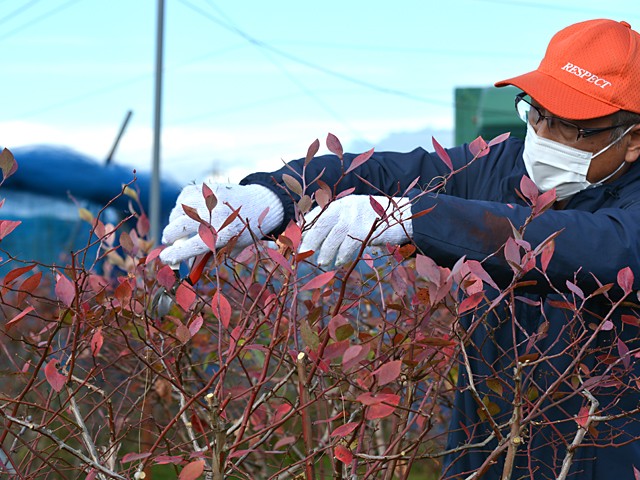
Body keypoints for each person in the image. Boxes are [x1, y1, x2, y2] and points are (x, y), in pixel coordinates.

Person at [160, 19, 640, 479]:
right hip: (485, 448)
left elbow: (605, 247)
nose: (542, 136)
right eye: (535, 112)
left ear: (632, 138)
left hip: (608, 456)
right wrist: (273, 196)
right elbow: (387, 172)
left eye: (570, 127)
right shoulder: (498, 168)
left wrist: (417, 217)